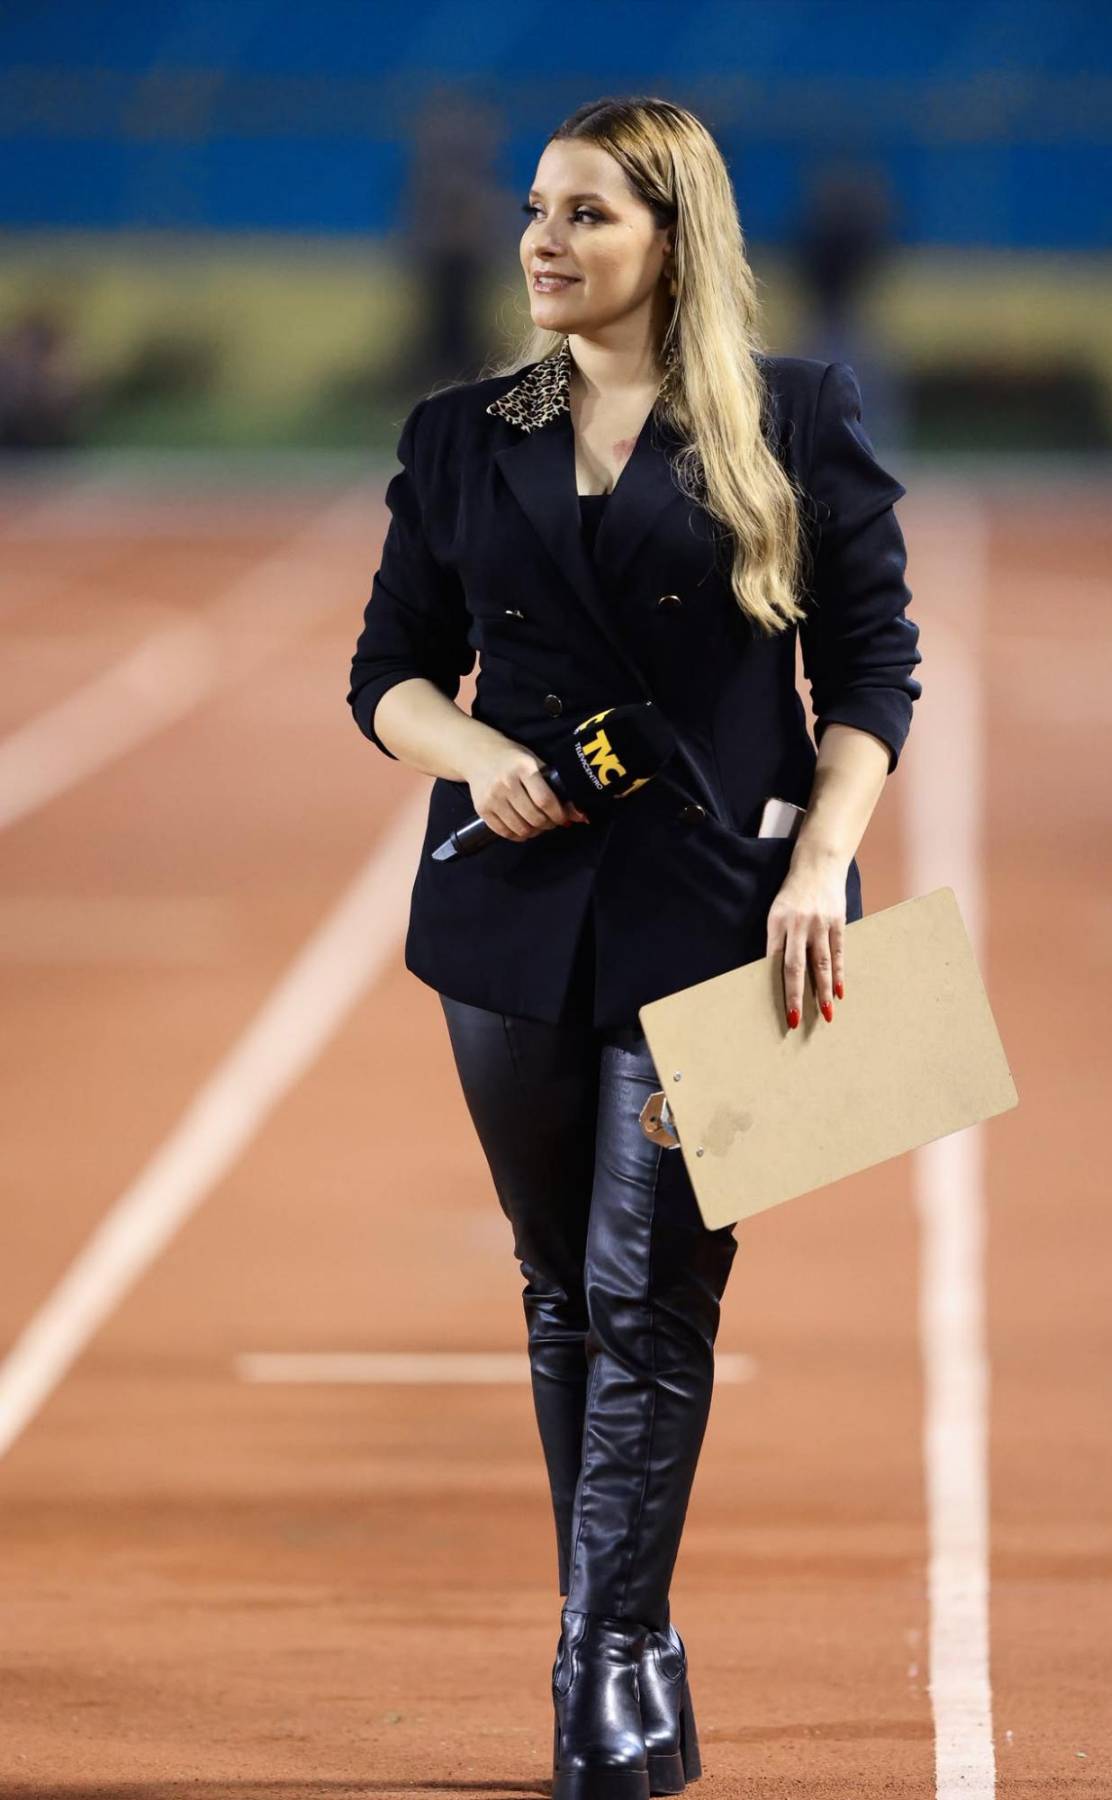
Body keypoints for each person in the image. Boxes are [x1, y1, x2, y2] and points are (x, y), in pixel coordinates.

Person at [346, 95, 923, 1800]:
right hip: (507, 921)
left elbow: (873, 675)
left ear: (674, 237)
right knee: (557, 1294)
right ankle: (625, 1624)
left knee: (649, 1291)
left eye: (587, 213)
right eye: (536, 208)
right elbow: (383, 675)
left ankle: (602, 1660)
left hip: (719, 918)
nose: (542, 240)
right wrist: (481, 758)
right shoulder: (470, 426)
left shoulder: (793, 416)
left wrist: (823, 864)